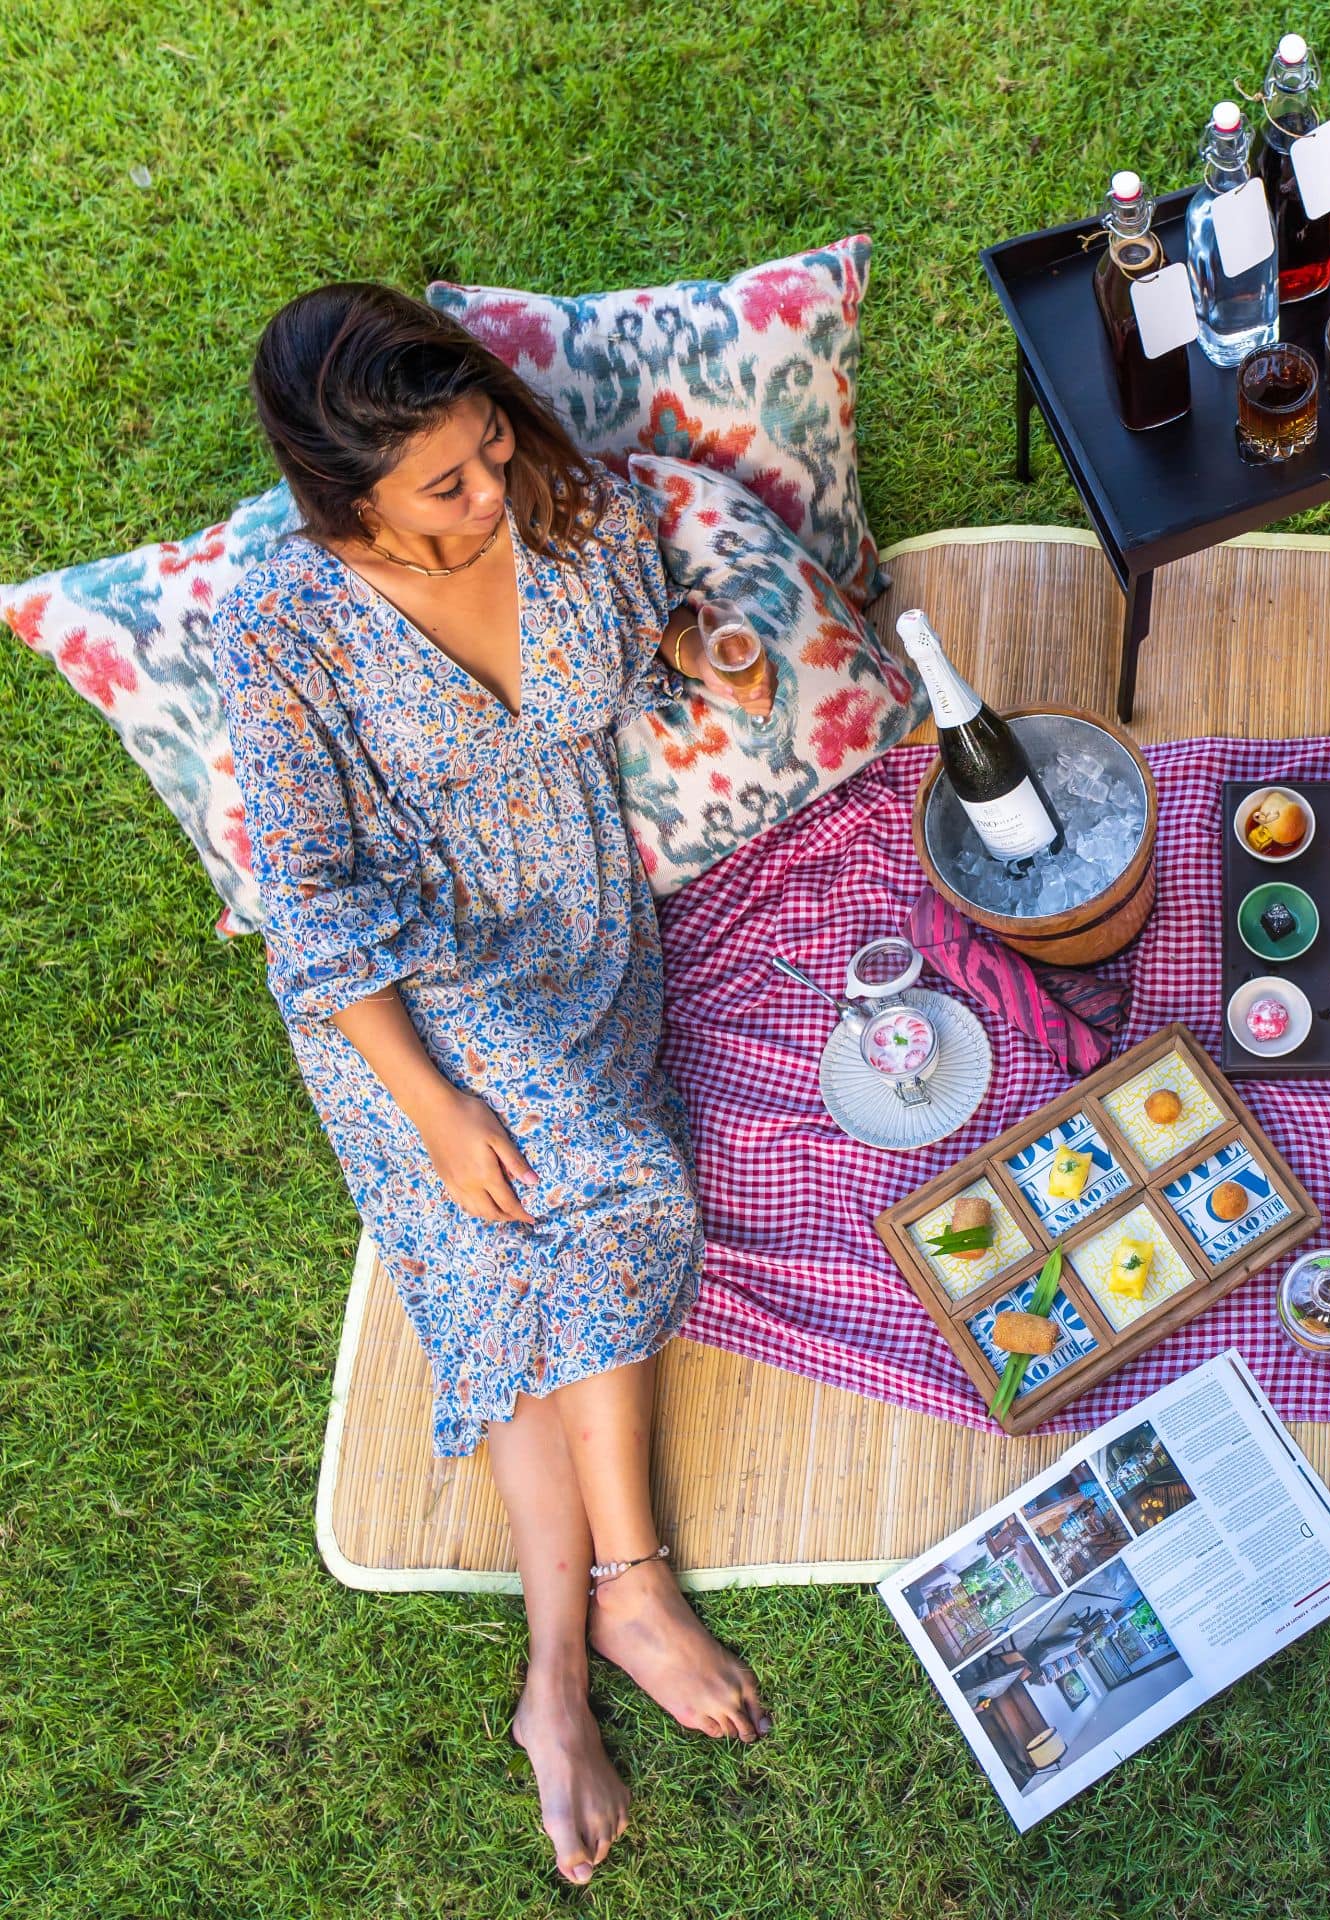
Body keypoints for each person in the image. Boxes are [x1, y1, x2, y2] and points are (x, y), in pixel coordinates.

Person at [211, 284, 775, 1882]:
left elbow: (633, 622)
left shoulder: (553, 498)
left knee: (521, 1258)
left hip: (580, 923)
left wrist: (697, 649)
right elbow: (313, 901)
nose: (487, 488)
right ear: (345, 503)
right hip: (405, 981)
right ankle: (627, 1593)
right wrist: (432, 1104)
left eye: (486, 447)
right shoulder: (281, 625)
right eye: (443, 483)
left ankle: (556, 1677)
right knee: (598, 1194)